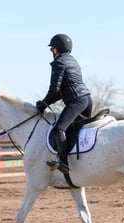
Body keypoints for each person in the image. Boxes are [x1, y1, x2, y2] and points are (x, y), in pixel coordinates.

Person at [36, 34, 93, 174]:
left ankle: (63, 163)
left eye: (51, 49)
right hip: (87, 100)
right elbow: (61, 92)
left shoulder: (58, 63)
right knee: (73, 130)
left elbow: (54, 91)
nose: (51, 52)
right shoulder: (73, 61)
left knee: (58, 130)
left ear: (55, 50)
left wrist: (42, 105)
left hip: (76, 101)